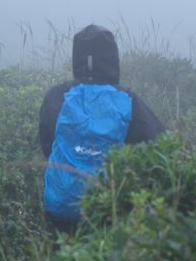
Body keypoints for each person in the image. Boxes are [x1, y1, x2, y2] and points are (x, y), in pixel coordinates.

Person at [38, 24, 166, 232]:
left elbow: (46, 145)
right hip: (108, 210)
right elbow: (158, 145)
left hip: (60, 207)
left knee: (60, 250)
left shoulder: (56, 96)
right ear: (112, 57)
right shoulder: (127, 99)